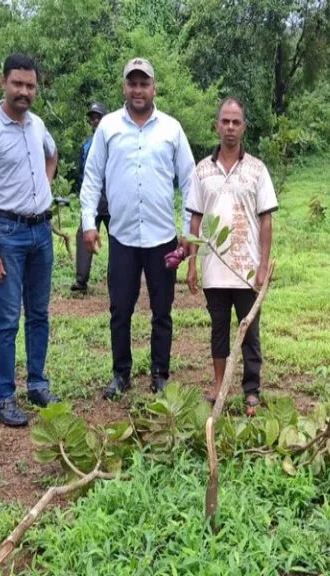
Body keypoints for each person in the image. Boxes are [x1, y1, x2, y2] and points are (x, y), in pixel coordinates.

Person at [80, 57, 197, 400]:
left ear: (153, 88)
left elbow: (190, 181)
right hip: (123, 237)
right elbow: (92, 177)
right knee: (120, 309)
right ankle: (121, 374)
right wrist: (88, 223)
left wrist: (189, 230)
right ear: (124, 87)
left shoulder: (171, 129)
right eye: (132, 83)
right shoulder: (108, 127)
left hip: (163, 238)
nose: (138, 90)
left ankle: (160, 374)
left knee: (162, 311)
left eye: (144, 83)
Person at [0, 53, 61, 427]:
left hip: (41, 232)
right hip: (6, 233)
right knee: (7, 318)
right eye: (17, 83)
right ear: (3, 82)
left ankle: (37, 384)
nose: (24, 91)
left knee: (39, 313)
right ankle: (3, 396)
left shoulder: (37, 125)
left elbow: (52, 154)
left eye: (30, 86)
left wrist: (45, 185)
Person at [186, 97, 278, 415]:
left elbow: (266, 220)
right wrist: (192, 264)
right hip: (214, 268)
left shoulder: (256, 170)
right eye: (225, 121)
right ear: (217, 126)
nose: (229, 127)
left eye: (235, 122)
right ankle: (219, 385)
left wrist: (263, 265)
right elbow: (195, 220)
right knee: (219, 328)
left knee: (249, 329)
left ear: (244, 128)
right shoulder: (202, 170)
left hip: (247, 268)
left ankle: (251, 390)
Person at [71, 102, 110, 294]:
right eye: (92, 118)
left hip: (111, 200)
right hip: (93, 200)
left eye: (98, 117)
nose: (95, 121)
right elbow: (82, 174)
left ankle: (118, 279)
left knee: (118, 240)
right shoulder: (86, 145)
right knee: (84, 235)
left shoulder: (113, 141)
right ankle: (81, 281)